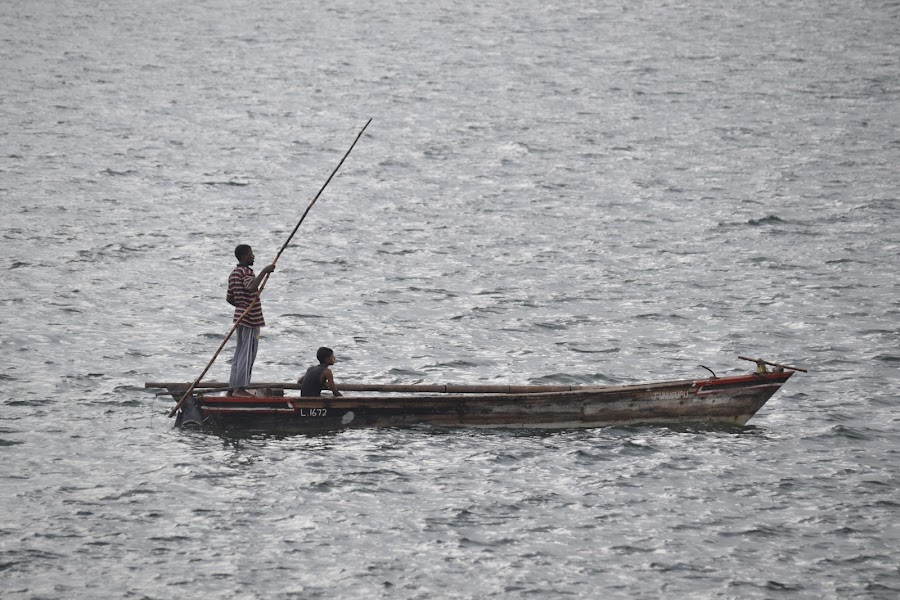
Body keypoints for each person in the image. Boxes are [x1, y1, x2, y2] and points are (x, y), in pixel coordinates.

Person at [226, 244, 275, 396]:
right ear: (243, 256)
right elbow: (251, 287)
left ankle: (232, 388)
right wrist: (265, 271)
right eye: (250, 254)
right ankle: (240, 389)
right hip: (250, 319)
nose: (253, 256)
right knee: (247, 353)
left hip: (240, 316)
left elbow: (229, 298)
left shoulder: (234, 273)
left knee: (239, 353)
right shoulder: (246, 272)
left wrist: (241, 304)